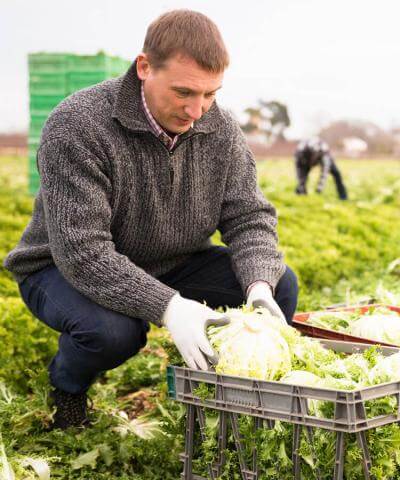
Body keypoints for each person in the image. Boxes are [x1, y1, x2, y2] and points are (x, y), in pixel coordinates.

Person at [4, 10, 298, 429]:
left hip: (171, 260)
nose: (197, 110)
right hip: (60, 266)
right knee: (113, 333)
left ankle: (227, 409)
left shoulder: (223, 130)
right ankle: (66, 390)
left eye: (211, 94)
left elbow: (248, 216)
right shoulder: (78, 124)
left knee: (279, 286)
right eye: (184, 92)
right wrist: (169, 307)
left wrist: (258, 286)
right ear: (144, 67)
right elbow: (83, 252)